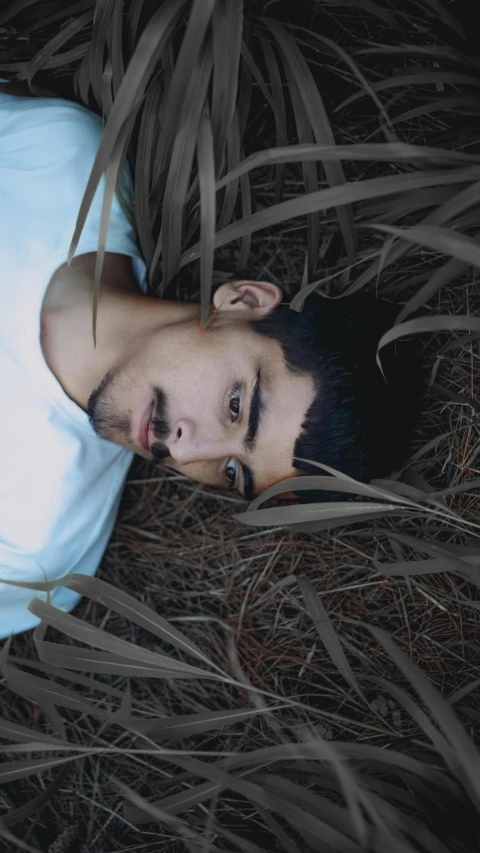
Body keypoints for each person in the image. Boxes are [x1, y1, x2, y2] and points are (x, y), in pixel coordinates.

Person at [0, 83, 423, 639]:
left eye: (230, 473)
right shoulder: (63, 165)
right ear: (243, 302)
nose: (184, 448)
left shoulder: (36, 545)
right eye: (235, 406)